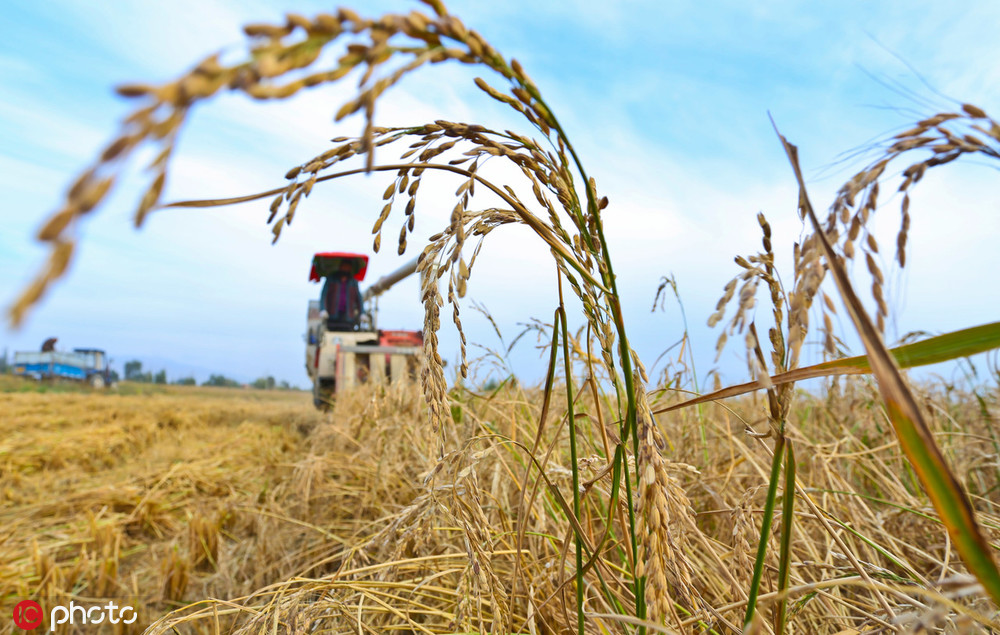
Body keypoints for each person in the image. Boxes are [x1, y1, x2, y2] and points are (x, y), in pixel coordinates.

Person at [321, 262, 362, 330]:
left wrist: (362, 313)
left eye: (347, 267)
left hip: (348, 318)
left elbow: (359, 298)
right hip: (332, 317)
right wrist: (323, 309)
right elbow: (324, 295)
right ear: (340, 267)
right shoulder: (331, 279)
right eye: (344, 267)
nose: (345, 269)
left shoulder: (353, 282)